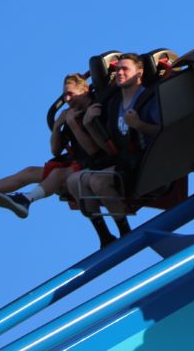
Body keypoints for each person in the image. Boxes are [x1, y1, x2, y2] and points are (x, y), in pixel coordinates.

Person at [0, 73, 95, 219]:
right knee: (29, 171)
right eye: (64, 96)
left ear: (84, 90)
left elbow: (93, 150)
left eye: (70, 94)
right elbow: (55, 150)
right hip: (78, 164)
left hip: (94, 164)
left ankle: (26, 200)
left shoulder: (94, 109)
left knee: (57, 174)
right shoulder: (70, 114)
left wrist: (73, 124)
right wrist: (57, 126)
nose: (67, 99)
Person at [69, 53, 162, 247]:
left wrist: (139, 124)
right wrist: (90, 124)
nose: (120, 73)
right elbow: (109, 147)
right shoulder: (114, 103)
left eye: (125, 69)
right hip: (124, 161)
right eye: (118, 69)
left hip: (148, 160)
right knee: (74, 181)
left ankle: (125, 232)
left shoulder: (147, 98)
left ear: (139, 74)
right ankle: (104, 235)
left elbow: (162, 131)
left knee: (98, 181)